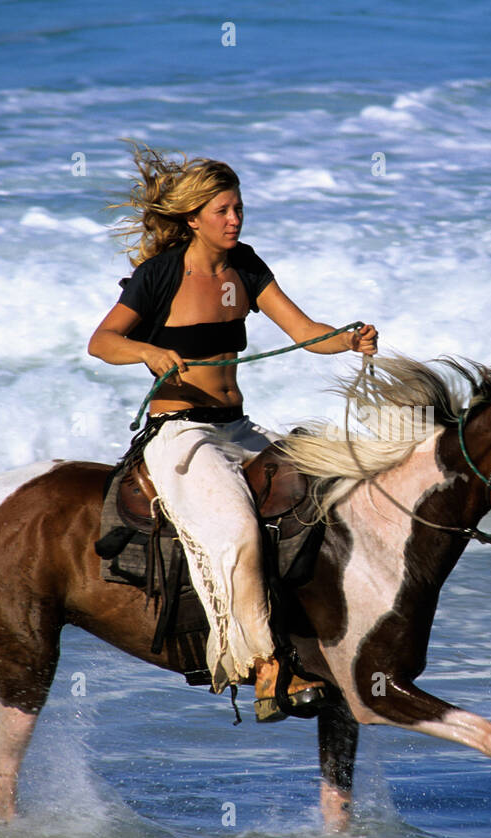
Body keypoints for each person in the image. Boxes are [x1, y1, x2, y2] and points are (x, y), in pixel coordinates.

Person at [88, 145, 378, 721]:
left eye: (239, 208)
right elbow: (102, 341)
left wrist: (347, 338)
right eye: (222, 210)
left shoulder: (246, 265)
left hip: (236, 427)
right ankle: (265, 663)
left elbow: (304, 332)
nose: (234, 219)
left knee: (327, 494)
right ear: (193, 218)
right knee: (240, 531)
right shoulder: (160, 275)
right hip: (180, 432)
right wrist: (147, 350)